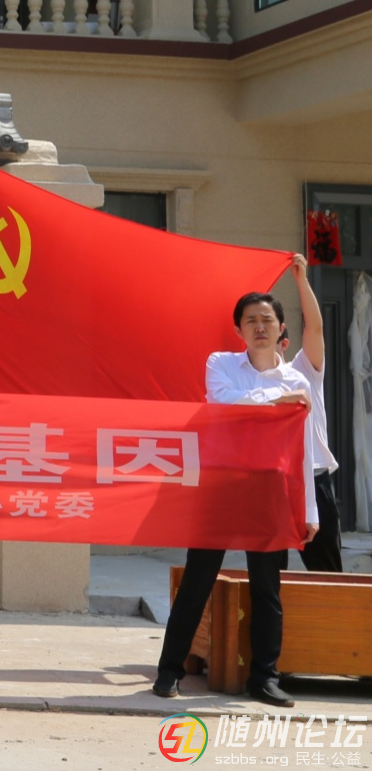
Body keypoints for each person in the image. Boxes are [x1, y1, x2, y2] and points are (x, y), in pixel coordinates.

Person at [154, 287, 321, 707]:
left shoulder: (298, 382)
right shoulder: (221, 364)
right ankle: (168, 672)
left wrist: (309, 510)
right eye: (251, 321)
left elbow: (304, 451)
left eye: (267, 320)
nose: (260, 327)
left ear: (281, 328)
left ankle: (264, 678)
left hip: (269, 490)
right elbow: (224, 402)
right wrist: (275, 399)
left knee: (267, 586)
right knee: (198, 579)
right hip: (222, 485)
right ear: (239, 330)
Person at [285, 255, 343, 573]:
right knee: (269, 570)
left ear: (285, 339)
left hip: (315, 477)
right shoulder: (247, 380)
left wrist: (301, 280)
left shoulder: (303, 369)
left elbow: (315, 327)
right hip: (275, 481)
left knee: (327, 572)